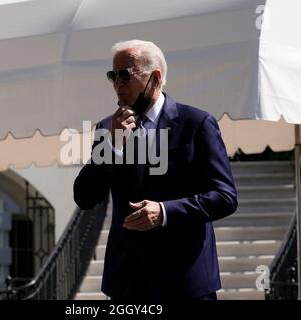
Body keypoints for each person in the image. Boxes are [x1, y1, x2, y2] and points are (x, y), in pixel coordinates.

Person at [73, 40, 237, 300]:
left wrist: (164, 212)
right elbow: (84, 196)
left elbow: (225, 197)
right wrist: (111, 147)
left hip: (185, 282)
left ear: (155, 78)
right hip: (127, 283)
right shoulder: (108, 127)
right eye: (112, 76)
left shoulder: (197, 123)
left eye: (125, 74)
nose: (117, 83)